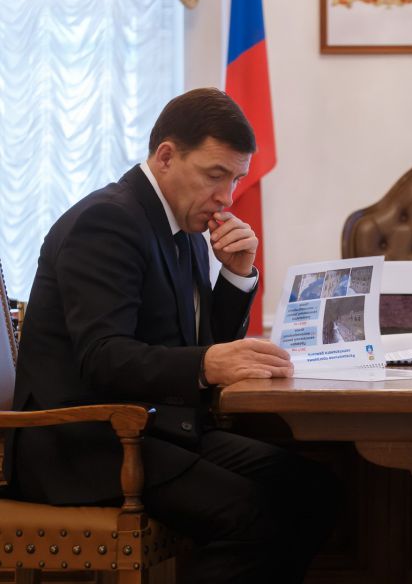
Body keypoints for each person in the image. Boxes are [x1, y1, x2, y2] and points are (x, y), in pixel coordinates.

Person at [8, 88, 340, 583]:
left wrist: (236, 275)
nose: (227, 197)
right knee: (255, 516)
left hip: (145, 431)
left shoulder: (182, 229)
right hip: (81, 444)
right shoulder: (108, 221)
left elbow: (199, 343)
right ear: (166, 156)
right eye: (215, 175)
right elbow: (103, 359)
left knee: (315, 488)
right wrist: (208, 365)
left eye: (236, 179)